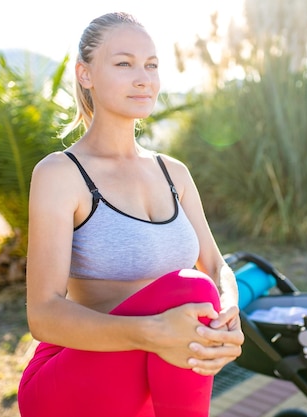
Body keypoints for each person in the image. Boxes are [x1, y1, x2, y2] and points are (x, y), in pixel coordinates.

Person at [17, 11, 243, 417]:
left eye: (152, 65)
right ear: (85, 74)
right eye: (124, 64)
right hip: (73, 379)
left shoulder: (174, 173)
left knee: (202, 290)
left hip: (157, 378)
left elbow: (215, 265)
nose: (144, 78)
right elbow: (44, 315)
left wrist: (230, 314)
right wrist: (152, 333)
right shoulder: (60, 174)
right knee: (190, 289)